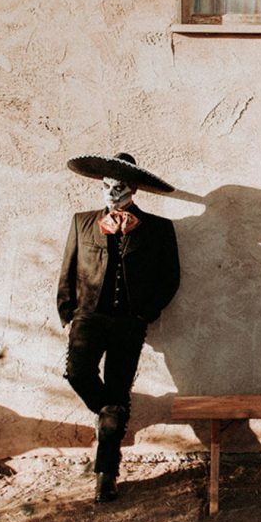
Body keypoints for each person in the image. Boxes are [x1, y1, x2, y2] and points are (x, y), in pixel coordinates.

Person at [57, 152, 180, 503]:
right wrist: (68, 312)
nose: (112, 194)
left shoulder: (158, 228)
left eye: (120, 187)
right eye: (107, 186)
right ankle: (110, 414)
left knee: (118, 390)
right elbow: (68, 269)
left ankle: (106, 475)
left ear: (134, 189)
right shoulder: (82, 221)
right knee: (79, 374)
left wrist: (147, 314)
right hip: (88, 317)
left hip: (130, 321)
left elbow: (170, 278)